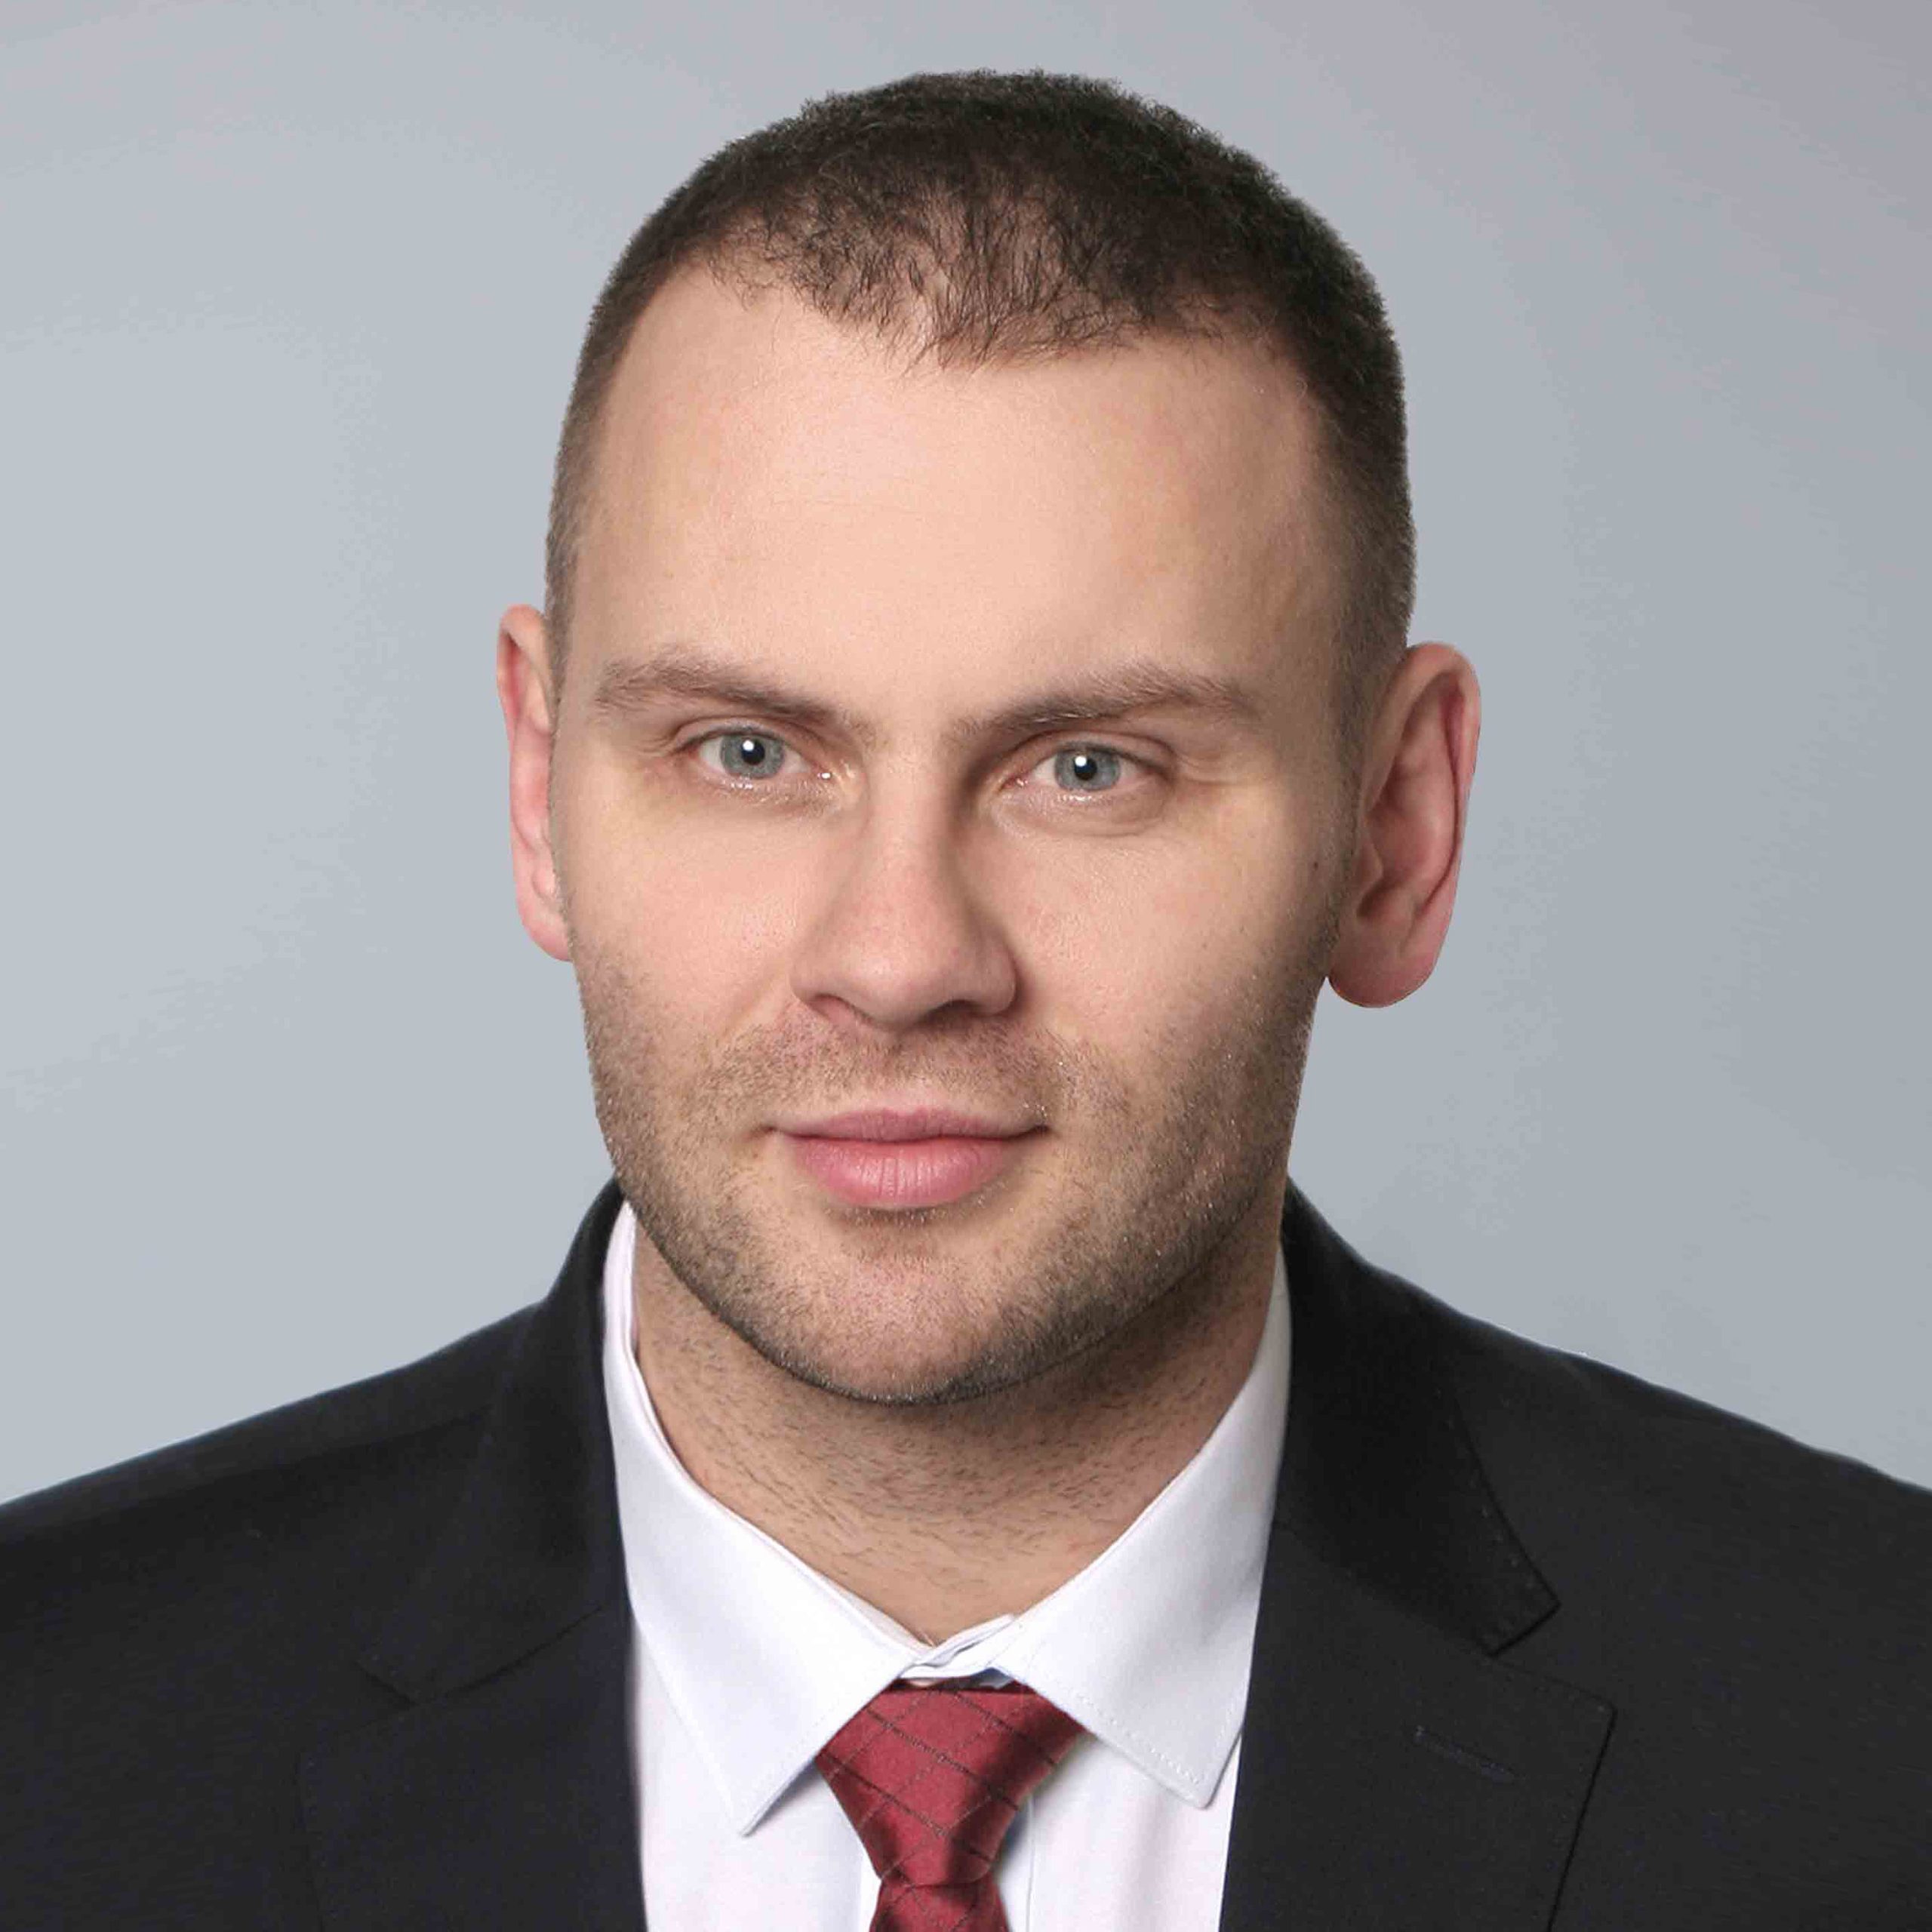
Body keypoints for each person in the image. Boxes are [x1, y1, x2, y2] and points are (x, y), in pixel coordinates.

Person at [2, 67, 1927, 1932]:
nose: (902, 954)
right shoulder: (49, 1745)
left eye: (1088, 766)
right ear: (536, 787)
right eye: (748, 750)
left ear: (1394, 829)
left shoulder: (1877, 1743)